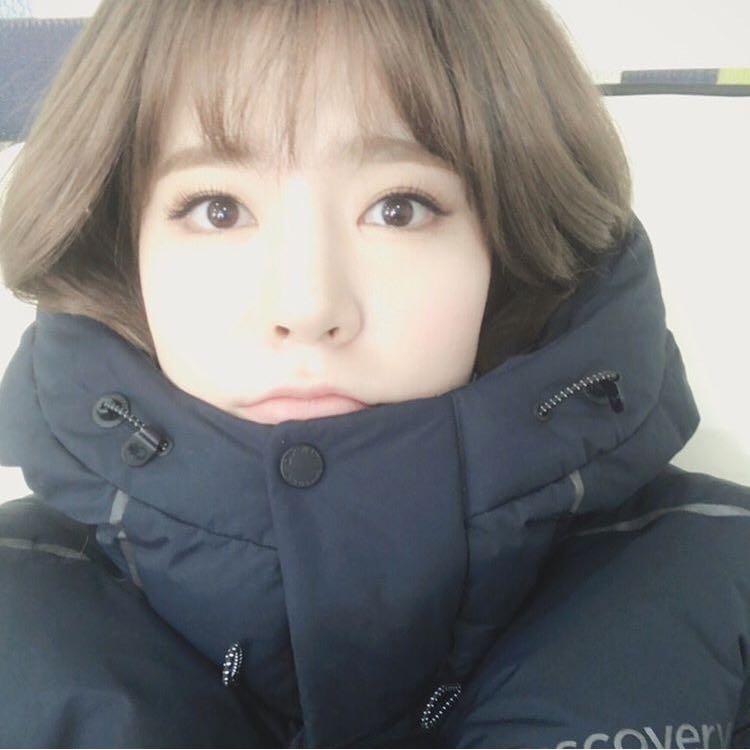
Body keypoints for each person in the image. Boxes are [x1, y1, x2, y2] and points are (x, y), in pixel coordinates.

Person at [0, 0, 748, 747]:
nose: (307, 306)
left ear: (511, 245)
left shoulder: (726, 585)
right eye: (218, 209)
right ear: (119, 247)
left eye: (399, 208)